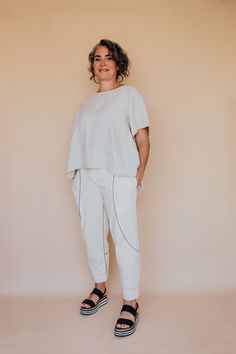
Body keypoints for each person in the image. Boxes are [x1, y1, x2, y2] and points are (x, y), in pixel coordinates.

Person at [66, 39, 150, 337]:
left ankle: (131, 301)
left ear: (118, 64)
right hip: (87, 173)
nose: (102, 63)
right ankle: (100, 288)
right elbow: (81, 141)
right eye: (97, 58)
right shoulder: (86, 103)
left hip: (118, 174)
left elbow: (142, 137)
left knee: (125, 236)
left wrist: (137, 174)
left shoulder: (130, 95)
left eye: (108, 57)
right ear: (93, 66)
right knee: (91, 232)